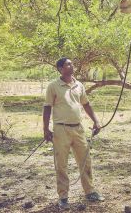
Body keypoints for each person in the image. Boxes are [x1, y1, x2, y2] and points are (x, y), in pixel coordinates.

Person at [43, 57, 104, 210]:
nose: (71, 66)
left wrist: (96, 121)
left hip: (78, 129)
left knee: (85, 160)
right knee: (61, 164)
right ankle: (63, 197)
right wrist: (45, 129)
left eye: (71, 63)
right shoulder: (53, 86)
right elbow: (47, 107)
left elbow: (86, 104)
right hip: (61, 129)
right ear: (60, 69)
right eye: (67, 64)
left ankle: (90, 192)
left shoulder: (79, 85)